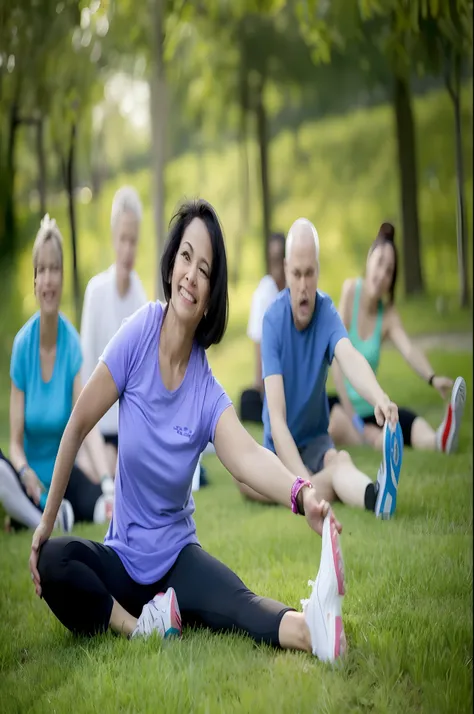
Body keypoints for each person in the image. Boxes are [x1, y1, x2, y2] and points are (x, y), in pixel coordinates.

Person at [30, 200, 348, 663]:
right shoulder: (139, 334)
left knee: (237, 604)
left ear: (211, 293)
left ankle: (313, 629)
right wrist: (45, 520)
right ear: (171, 262)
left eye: (205, 268)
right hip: (121, 560)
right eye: (185, 257)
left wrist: (303, 495)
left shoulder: (206, 390)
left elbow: (249, 458)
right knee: (54, 560)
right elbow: (78, 424)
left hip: (178, 560)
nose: (191, 275)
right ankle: (141, 628)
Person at [238, 217, 404, 519]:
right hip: (279, 447)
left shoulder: (326, 311)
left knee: (337, 460)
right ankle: (306, 491)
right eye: (297, 274)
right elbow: (276, 420)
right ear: (286, 270)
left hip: (316, 442)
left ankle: (376, 496)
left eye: (310, 274)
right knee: (244, 479)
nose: (303, 286)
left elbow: (349, 356)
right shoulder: (272, 321)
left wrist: (379, 397)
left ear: (318, 269)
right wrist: (304, 484)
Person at [0, 215, 114, 533]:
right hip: (30, 481)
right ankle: (38, 513)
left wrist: (106, 481)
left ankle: (39, 516)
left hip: (66, 476)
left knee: (105, 508)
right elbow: (15, 444)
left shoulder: (72, 342)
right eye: (42, 271)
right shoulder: (23, 346)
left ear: (63, 277)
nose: (48, 279)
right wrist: (24, 474)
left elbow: (85, 421)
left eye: (55, 270)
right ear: (34, 280)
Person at [327, 222, 467, 453]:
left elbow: (409, 350)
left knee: (404, 417)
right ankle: (373, 439)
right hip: (343, 406)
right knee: (340, 423)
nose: (382, 274)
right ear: (369, 259)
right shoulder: (351, 290)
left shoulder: (388, 315)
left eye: (389, 270)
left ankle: (439, 440)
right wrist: (354, 418)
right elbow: (336, 360)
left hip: (374, 405)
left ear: (392, 281)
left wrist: (432, 378)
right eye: (380, 262)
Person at [80, 187, 147, 476]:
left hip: (130, 428)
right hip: (100, 427)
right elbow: (85, 371)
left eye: (133, 241)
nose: (128, 249)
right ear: (113, 239)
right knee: (104, 468)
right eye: (123, 240)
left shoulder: (141, 298)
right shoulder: (95, 292)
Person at [240, 232, 286, 423]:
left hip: (291, 378)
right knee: (247, 400)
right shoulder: (264, 293)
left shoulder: (294, 290)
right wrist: (260, 383)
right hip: (271, 380)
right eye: (272, 258)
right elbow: (258, 341)